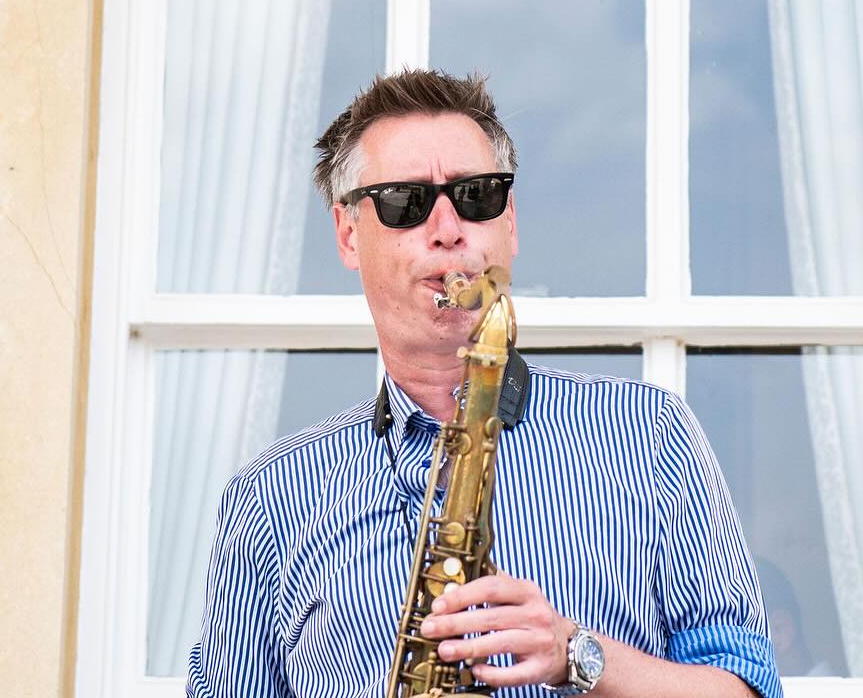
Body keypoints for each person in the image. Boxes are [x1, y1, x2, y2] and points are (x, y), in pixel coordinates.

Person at [186, 70, 782, 698]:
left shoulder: (649, 433)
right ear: (347, 234)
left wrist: (576, 653)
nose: (448, 227)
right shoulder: (271, 496)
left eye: (476, 195)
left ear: (511, 221)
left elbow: (746, 689)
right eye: (404, 202)